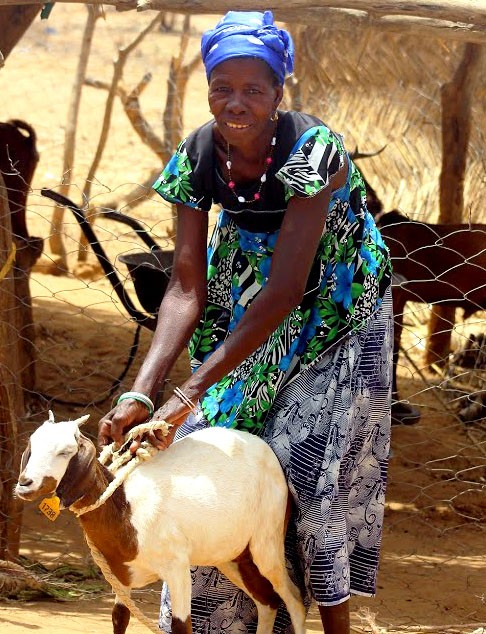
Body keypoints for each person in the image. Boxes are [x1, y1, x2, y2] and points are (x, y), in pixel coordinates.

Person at [98, 10, 393, 634]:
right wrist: (140, 393)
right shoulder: (199, 154)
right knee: (209, 458)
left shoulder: (312, 150)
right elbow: (183, 287)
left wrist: (184, 393)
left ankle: (333, 626)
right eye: (222, 86)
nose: (236, 102)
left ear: (278, 94)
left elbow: (289, 288)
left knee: (304, 468)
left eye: (253, 89)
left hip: (337, 312)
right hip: (248, 302)